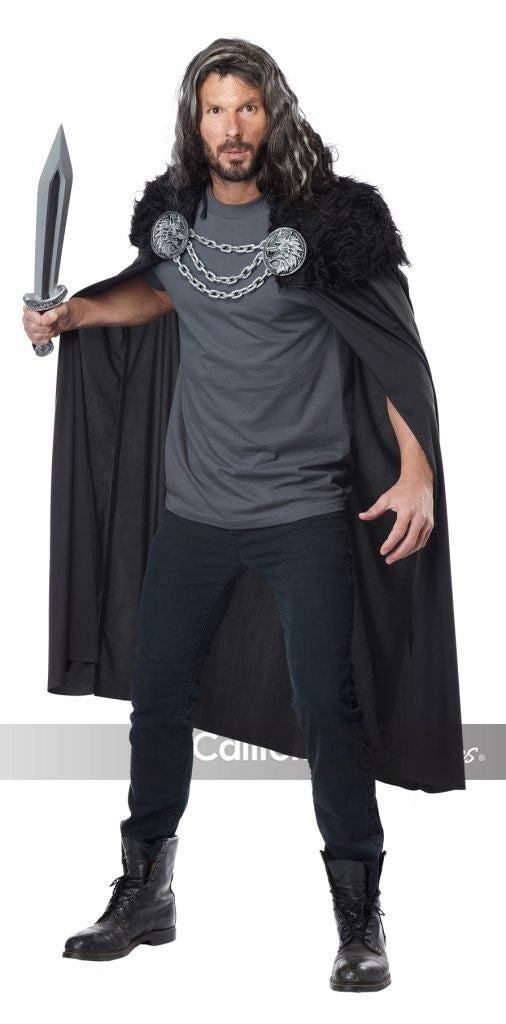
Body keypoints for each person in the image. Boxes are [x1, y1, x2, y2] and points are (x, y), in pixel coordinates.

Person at [22, 38, 464, 991]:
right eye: (215, 109)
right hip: (194, 512)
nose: (232, 127)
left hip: (302, 510)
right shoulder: (176, 218)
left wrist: (418, 471)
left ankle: (359, 917)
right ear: (197, 121)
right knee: (157, 698)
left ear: (274, 115)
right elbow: (158, 291)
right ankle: (146, 892)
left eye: (247, 108)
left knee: (328, 706)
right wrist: (78, 314)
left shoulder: (332, 224)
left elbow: (393, 350)